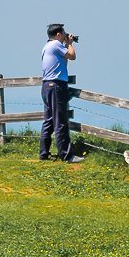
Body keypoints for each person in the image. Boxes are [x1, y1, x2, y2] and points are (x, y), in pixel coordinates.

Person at [40, 23, 83, 163]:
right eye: (64, 33)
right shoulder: (55, 45)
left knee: (49, 122)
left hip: (47, 85)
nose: (65, 36)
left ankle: (44, 154)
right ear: (58, 35)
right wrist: (69, 44)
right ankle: (66, 156)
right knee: (61, 122)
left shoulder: (47, 46)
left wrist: (66, 44)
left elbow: (63, 63)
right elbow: (72, 56)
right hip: (56, 86)